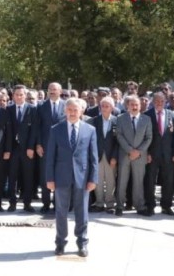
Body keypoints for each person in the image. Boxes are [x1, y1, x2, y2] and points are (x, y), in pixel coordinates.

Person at [45, 98, 97, 257]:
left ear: (81, 111)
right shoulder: (56, 129)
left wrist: (93, 179)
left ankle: (82, 243)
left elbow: (93, 157)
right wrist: (50, 178)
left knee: (82, 211)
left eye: (76, 110)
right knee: (61, 211)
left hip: (83, 177)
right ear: (65, 111)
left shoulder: (90, 130)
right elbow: (50, 156)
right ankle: (60, 243)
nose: (73, 113)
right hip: (61, 177)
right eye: (70, 110)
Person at [115, 95, 153, 216]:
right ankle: (119, 206)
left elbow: (149, 138)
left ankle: (140, 206)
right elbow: (119, 135)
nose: (134, 107)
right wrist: (130, 150)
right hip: (125, 154)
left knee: (138, 182)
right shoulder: (120, 118)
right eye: (132, 104)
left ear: (140, 106)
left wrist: (138, 151)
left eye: (136, 105)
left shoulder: (146, 119)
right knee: (122, 181)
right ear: (128, 106)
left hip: (140, 155)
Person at [143, 92, 174, 215]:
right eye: (157, 101)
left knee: (168, 181)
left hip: (168, 154)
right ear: (153, 102)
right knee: (150, 180)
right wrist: (146, 152)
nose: (159, 103)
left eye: (162, 101)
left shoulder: (172, 114)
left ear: (165, 102)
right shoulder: (146, 115)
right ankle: (150, 206)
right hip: (152, 154)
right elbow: (144, 136)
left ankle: (166, 206)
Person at [6, 85, 38, 213]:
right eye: (16, 95)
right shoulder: (8, 109)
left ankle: (27, 203)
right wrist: (7, 149)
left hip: (27, 149)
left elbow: (34, 130)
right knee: (12, 177)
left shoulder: (32, 109)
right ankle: (12, 203)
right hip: (13, 149)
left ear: (25, 96)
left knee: (28, 177)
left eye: (21, 94)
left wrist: (31, 147)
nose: (19, 97)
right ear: (13, 96)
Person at [36, 82, 66, 213]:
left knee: (60, 175)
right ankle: (46, 203)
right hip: (45, 146)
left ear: (60, 91)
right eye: (50, 89)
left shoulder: (67, 106)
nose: (52, 91)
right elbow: (37, 127)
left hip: (62, 147)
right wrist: (38, 144)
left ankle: (57, 203)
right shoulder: (41, 106)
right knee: (45, 175)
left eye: (54, 89)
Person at [87, 97, 118, 213]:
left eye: (107, 106)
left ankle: (110, 204)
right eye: (102, 106)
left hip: (111, 156)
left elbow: (118, 141)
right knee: (98, 180)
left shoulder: (117, 121)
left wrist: (115, 157)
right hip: (97, 155)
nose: (104, 108)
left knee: (111, 180)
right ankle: (99, 203)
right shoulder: (94, 121)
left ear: (112, 108)